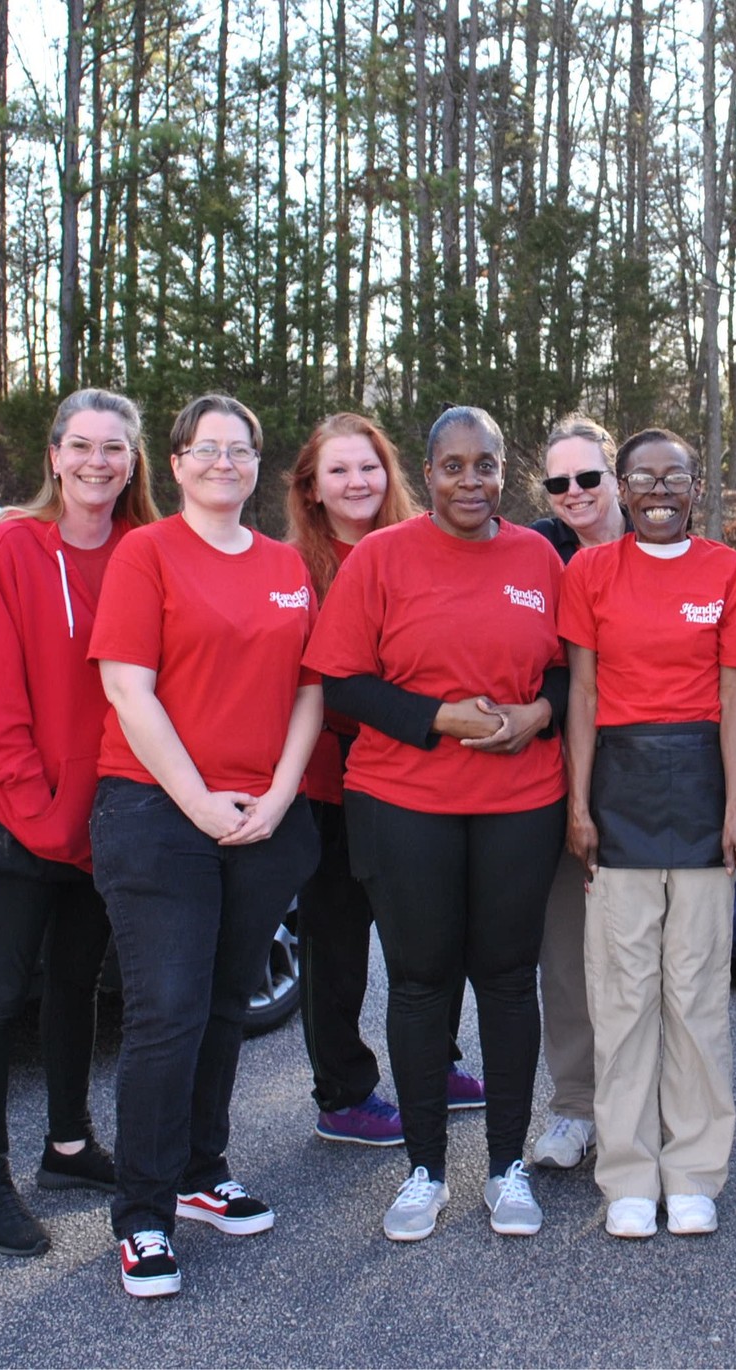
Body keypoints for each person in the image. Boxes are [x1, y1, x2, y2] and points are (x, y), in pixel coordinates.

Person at [307, 405, 569, 1242]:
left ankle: (505, 1167)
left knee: (504, 975)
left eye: (485, 465)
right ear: (428, 474)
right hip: (402, 800)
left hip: (520, 803)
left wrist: (537, 715)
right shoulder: (383, 557)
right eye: (452, 466)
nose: (470, 481)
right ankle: (423, 1170)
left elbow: (573, 677)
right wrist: (438, 719)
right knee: (420, 981)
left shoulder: (538, 556)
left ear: (504, 471)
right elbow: (341, 682)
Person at [89, 394, 324, 1297]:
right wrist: (198, 802)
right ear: (177, 463)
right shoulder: (145, 554)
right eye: (207, 449)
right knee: (169, 1009)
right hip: (158, 812)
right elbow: (129, 690)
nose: (224, 462)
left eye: (241, 450)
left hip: (262, 817)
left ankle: (198, 1171)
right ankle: (142, 1215)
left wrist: (277, 793)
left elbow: (310, 688)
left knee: (227, 1000)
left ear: (257, 467)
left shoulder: (284, 567)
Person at [0, 388, 158, 1257]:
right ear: (54, 455)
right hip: (19, 818)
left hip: (104, 813)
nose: (97, 462)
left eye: (115, 448)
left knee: (81, 987)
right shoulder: (10, 548)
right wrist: (39, 813)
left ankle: (69, 1145)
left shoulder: (147, 552)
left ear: (136, 462)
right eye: (82, 445)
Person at [560, 428, 736, 1239]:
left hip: (703, 793)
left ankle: (695, 1170)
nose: (659, 491)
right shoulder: (591, 571)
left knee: (697, 992)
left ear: (696, 487)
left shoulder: (729, 572)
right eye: (642, 477)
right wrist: (579, 805)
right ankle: (630, 1174)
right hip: (620, 792)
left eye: (674, 477)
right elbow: (582, 694)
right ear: (622, 489)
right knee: (626, 992)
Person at [281, 415, 483, 1149]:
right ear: (311, 485)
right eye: (337, 471)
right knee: (336, 943)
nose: (356, 483)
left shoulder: (429, 546)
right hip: (330, 783)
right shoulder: (292, 565)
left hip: (425, 776)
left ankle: (438, 1061)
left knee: (430, 933)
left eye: (367, 467)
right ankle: (344, 1092)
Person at [524, 414, 627, 1170]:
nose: (573, 493)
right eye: (558, 482)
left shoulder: (665, 543)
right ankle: (573, 1107)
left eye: (588, 477)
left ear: (615, 475)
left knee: (649, 955)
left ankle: (644, 1106)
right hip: (563, 775)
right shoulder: (534, 554)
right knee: (566, 954)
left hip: (659, 776)